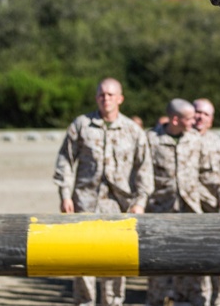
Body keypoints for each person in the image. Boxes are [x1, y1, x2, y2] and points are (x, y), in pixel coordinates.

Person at [53, 78, 154, 306]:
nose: (105, 98)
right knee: (83, 260)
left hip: (120, 206)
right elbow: (65, 161)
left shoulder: (132, 130)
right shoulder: (81, 125)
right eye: (101, 94)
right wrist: (65, 195)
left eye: (110, 94)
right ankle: (85, 303)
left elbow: (144, 168)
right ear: (96, 97)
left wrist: (140, 201)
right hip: (84, 203)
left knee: (116, 260)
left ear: (120, 98)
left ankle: (114, 303)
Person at [146, 99, 218, 306]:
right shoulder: (151, 140)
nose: (194, 121)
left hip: (191, 213)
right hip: (161, 213)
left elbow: (207, 174)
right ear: (175, 119)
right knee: (159, 268)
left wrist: (218, 199)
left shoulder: (194, 139)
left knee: (192, 264)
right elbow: (141, 174)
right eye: (189, 118)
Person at [192, 98, 220, 306]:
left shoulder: (219, 145)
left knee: (215, 259)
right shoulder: (180, 138)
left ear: (211, 120)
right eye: (197, 112)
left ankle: (217, 299)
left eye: (205, 114)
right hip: (187, 211)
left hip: (212, 211)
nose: (200, 117)